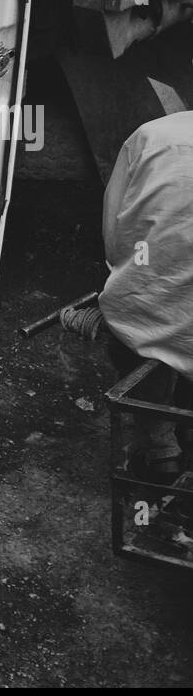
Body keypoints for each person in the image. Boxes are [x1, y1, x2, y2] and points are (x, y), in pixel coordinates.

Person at [98, 111, 193, 484]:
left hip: (144, 317)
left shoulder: (151, 136)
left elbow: (115, 237)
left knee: (132, 324)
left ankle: (159, 447)